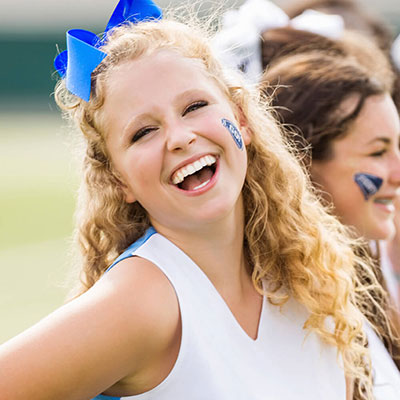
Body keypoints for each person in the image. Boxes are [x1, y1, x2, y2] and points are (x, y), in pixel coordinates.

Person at [0, 1, 385, 399]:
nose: (179, 137)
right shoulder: (145, 301)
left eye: (194, 107)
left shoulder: (308, 273)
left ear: (242, 119)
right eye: (143, 132)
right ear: (119, 181)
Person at [261, 42, 400, 398]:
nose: (397, 172)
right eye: (378, 152)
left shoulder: (357, 284)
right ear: (300, 167)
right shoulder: (280, 311)